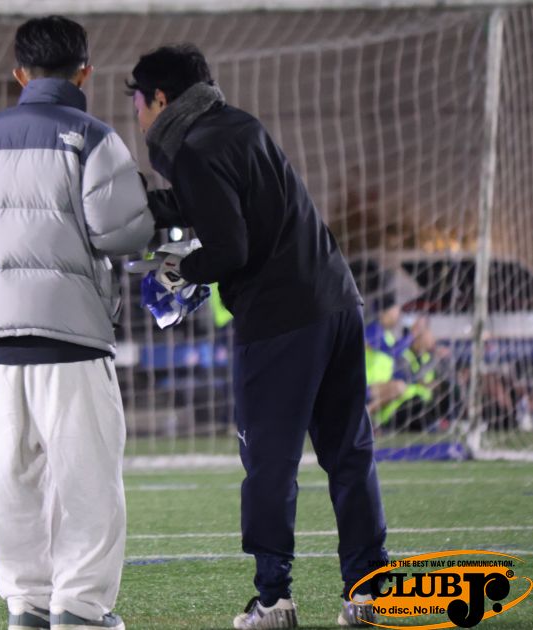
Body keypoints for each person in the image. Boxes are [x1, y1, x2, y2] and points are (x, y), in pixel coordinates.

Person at [127, 45, 389, 629]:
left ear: (160, 99)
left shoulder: (193, 148)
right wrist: (152, 207)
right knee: (349, 454)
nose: (138, 117)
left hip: (280, 320)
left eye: (138, 103)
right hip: (336, 300)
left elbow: (230, 247)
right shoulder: (239, 125)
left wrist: (179, 270)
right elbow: (223, 202)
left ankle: (274, 600)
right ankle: (369, 593)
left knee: (270, 464)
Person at [0, 16, 153, 630]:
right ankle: (80, 607)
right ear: (85, 72)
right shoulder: (93, 137)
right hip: (73, 335)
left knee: (14, 480)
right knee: (87, 479)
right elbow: (122, 231)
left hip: (0, 336)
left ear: (19, 74)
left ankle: (26, 604)